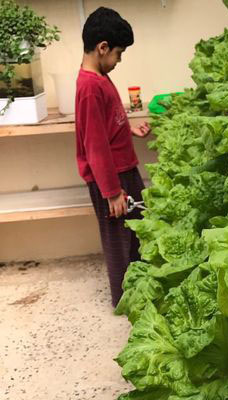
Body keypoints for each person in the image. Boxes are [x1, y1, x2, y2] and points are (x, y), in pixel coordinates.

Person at [75, 7, 150, 308]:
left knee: (138, 228)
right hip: (110, 178)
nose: (119, 61)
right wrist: (112, 192)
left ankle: (141, 286)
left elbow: (105, 123)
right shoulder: (90, 87)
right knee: (119, 239)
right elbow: (94, 144)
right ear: (103, 47)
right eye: (119, 54)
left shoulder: (100, 77)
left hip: (123, 169)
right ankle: (124, 298)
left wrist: (127, 128)